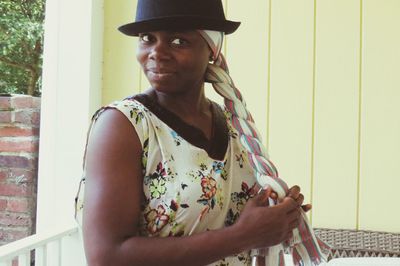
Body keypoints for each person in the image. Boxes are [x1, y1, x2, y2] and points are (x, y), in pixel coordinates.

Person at [75, 0, 329, 265]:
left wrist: (278, 211)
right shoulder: (125, 125)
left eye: (178, 41)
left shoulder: (233, 124)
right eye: (147, 38)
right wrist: (243, 236)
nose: (156, 52)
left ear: (211, 48)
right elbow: (106, 257)